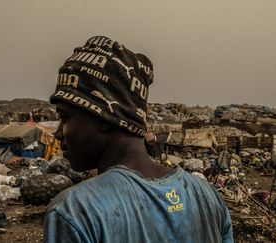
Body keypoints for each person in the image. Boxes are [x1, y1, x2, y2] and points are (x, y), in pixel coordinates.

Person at [44, 36, 233, 243]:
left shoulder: (75, 212)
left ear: (104, 118)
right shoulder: (207, 196)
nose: (58, 133)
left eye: (64, 117)